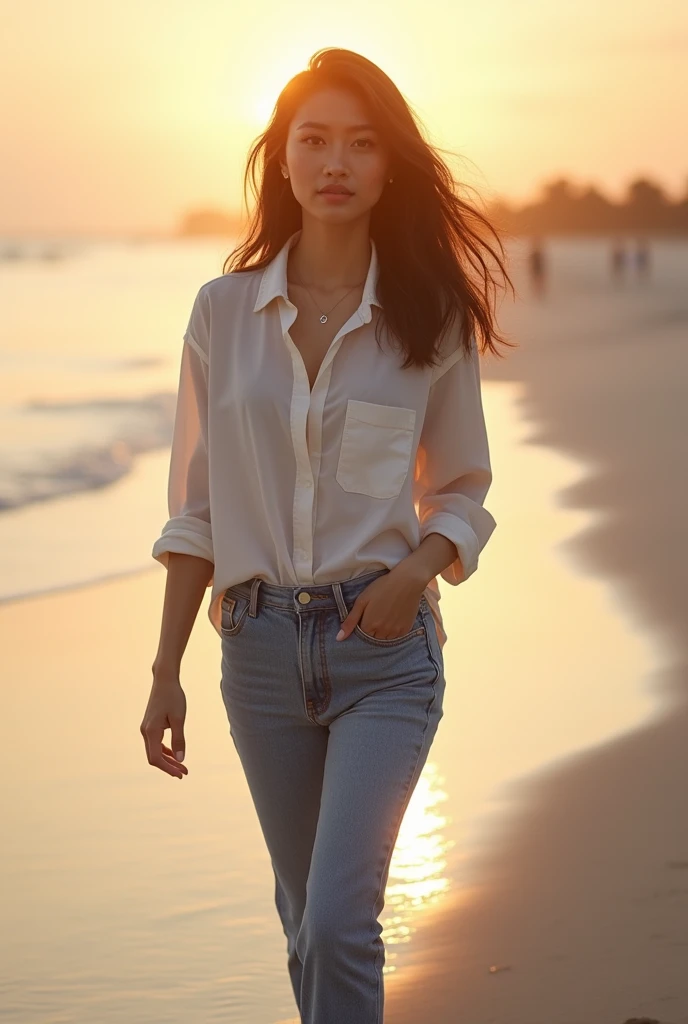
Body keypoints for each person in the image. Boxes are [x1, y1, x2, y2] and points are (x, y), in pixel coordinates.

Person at [141, 46, 514, 1024]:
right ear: (284, 159)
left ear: (389, 166)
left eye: (360, 143)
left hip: (383, 648)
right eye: (314, 141)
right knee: (304, 914)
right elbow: (197, 507)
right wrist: (163, 668)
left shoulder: (426, 319)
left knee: (342, 921)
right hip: (256, 650)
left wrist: (415, 574)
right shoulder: (221, 314)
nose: (335, 161)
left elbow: (465, 490)